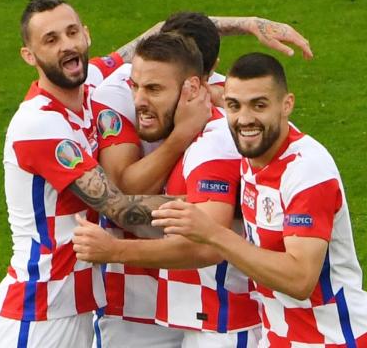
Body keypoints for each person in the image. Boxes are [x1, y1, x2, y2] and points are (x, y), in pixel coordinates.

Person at [151, 52, 367, 347]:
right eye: (234, 105)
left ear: (286, 104)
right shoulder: (253, 155)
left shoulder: (307, 171)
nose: (245, 119)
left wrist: (214, 234)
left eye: (259, 105)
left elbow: (300, 280)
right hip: (280, 338)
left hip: (335, 340)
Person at [0, 0, 181, 347]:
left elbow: (150, 41)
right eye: (51, 39)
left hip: (75, 309)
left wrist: (246, 24)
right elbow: (119, 208)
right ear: (29, 56)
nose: (66, 45)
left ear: (86, 36)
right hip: (38, 314)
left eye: (71, 32)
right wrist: (213, 206)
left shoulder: (90, 88)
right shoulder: (40, 124)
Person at [73, 33, 261, 348]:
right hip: (194, 317)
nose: (138, 101)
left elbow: (205, 246)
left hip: (223, 321)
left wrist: (113, 250)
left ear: (192, 88)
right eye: (135, 86)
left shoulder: (214, 143)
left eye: (154, 89)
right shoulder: (184, 136)